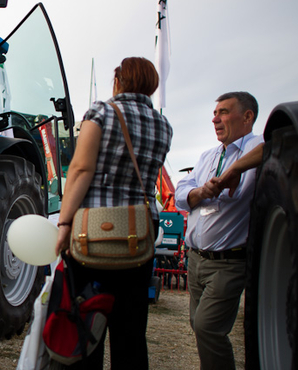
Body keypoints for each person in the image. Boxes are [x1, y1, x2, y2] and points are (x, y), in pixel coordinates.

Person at [54, 57, 173, 369]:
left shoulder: (102, 112)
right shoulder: (163, 125)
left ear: (119, 80)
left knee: (87, 319)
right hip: (138, 233)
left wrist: (64, 222)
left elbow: (81, 169)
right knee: (131, 332)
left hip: (93, 233)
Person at [174, 91, 263, 370]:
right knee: (199, 326)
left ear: (247, 117)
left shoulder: (256, 146)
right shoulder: (207, 156)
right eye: (215, 113)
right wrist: (201, 192)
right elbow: (181, 192)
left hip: (228, 262)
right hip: (197, 260)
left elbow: (275, 145)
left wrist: (232, 171)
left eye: (223, 112)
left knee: (208, 327)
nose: (215, 119)